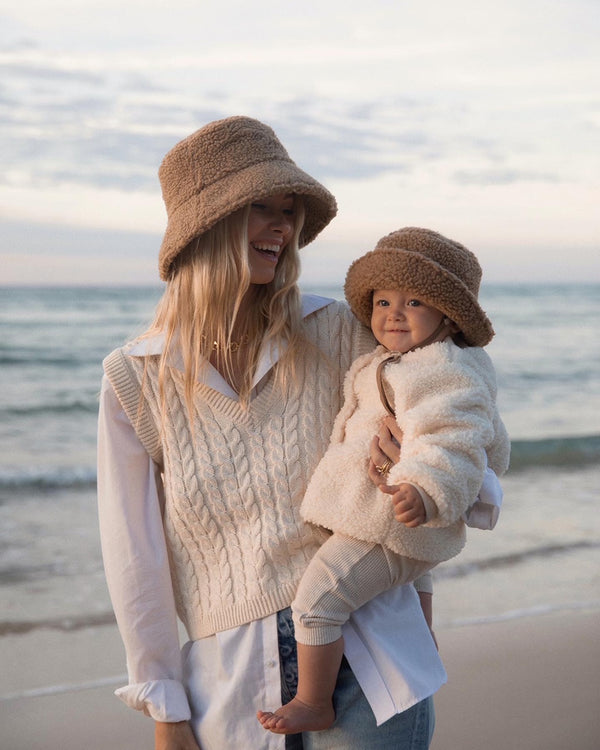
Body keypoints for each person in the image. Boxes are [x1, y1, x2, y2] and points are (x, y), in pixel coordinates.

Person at [97, 117, 446, 750]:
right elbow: (134, 557)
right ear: (206, 224)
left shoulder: (338, 332)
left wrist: (421, 607)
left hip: (366, 651)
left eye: (288, 211)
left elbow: (414, 455)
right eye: (261, 207)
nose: (283, 227)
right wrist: (164, 706)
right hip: (229, 685)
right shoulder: (135, 378)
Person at [257, 227, 510, 735]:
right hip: (395, 519)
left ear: (448, 314)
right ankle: (426, 637)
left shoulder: (445, 371)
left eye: (414, 301)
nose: (393, 313)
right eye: (383, 301)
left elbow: (452, 439)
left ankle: (314, 700)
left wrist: (425, 488)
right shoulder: (396, 361)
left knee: (318, 602)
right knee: (415, 575)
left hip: (393, 515)